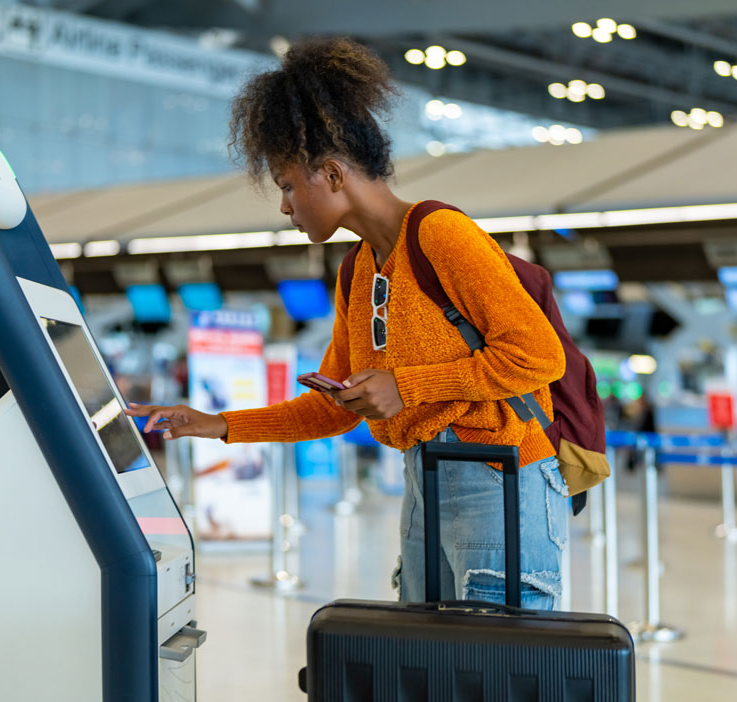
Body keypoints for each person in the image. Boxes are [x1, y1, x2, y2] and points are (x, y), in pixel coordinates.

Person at [126, 38, 568, 609]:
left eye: (288, 185)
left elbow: (538, 355)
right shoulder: (357, 271)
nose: (285, 205)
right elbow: (331, 407)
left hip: (500, 477)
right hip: (425, 477)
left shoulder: (441, 235)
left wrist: (405, 386)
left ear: (332, 174)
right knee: (431, 664)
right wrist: (219, 424)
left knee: (500, 668)